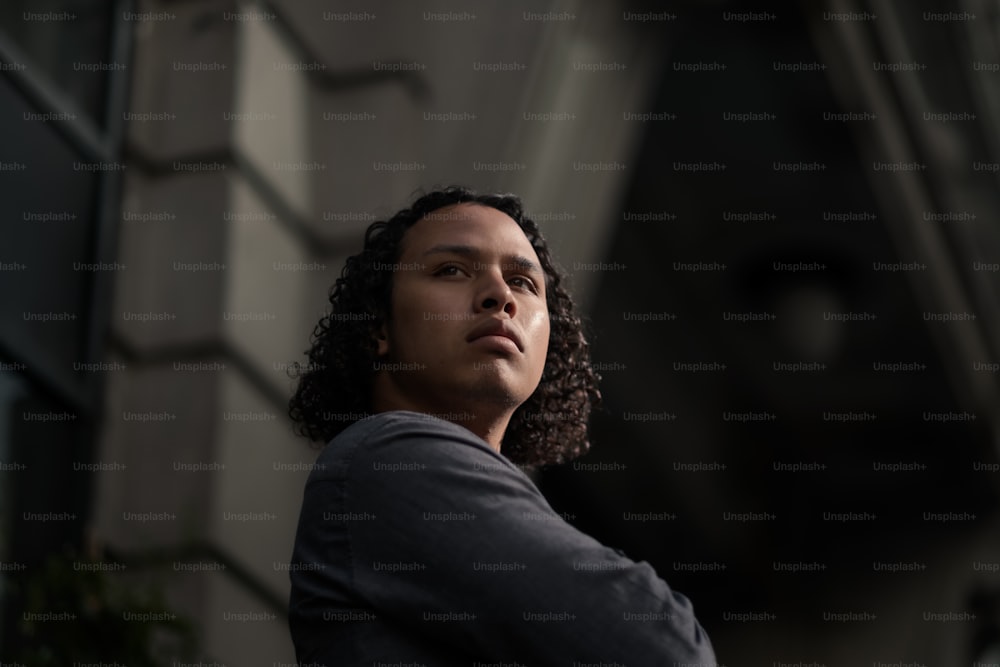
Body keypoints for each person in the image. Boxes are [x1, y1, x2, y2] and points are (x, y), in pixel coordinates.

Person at [287, 186, 716, 666]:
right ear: (378, 328)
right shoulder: (389, 456)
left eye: (524, 282)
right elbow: (662, 647)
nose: (500, 296)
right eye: (451, 269)